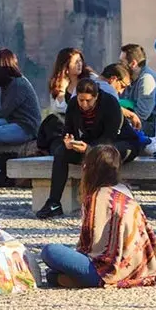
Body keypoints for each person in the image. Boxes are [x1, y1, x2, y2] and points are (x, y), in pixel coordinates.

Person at [40, 145, 156, 289]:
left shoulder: (97, 197)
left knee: (50, 252)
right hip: (138, 265)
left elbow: (91, 246)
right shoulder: (123, 190)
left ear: (90, 168)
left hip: (107, 270)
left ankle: (82, 280)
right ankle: (68, 279)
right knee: (54, 272)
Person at [36, 76, 126, 219]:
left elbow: (110, 137)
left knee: (103, 157)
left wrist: (89, 148)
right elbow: (68, 129)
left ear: (96, 97)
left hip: (117, 144)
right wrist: (68, 140)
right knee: (61, 152)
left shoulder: (110, 104)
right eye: (81, 100)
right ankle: (54, 202)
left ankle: (101, 204)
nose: (84, 104)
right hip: (89, 143)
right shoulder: (73, 104)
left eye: (88, 101)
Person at [0, 48, 41, 162]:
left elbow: (3, 112)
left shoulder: (18, 84)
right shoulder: (8, 84)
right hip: (12, 121)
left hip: (26, 128)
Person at [120, 42, 156, 121]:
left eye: (122, 62)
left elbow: (142, 115)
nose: (119, 66)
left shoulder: (147, 79)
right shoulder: (130, 77)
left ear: (133, 64)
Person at [46, 47, 85, 117]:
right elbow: (57, 110)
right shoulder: (57, 83)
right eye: (76, 62)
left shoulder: (89, 79)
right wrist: (62, 90)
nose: (80, 64)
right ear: (66, 66)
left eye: (80, 61)